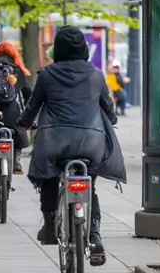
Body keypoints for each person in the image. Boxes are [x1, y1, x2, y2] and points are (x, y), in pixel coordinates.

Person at [17, 26, 118, 260]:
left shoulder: (47, 74)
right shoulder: (95, 74)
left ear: (58, 48)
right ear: (83, 47)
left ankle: (51, 225)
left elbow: (33, 106)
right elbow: (108, 108)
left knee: (49, 177)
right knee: (89, 185)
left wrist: (24, 124)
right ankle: (94, 235)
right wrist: (111, 120)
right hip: (91, 143)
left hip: (55, 142)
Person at [0, 41, 33, 207]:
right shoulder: (17, 70)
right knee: (17, 131)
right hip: (12, 117)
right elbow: (29, 95)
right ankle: (15, 160)